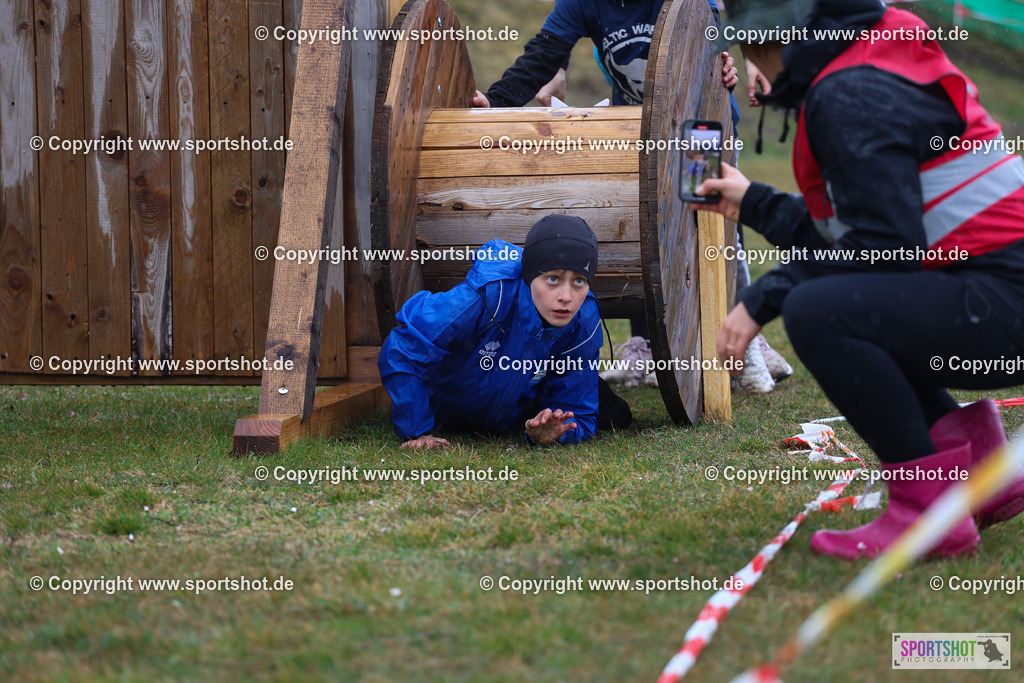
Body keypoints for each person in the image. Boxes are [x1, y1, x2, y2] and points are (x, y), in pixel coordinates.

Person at [703, 0, 1024, 560]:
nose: (751, 60)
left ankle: (927, 515)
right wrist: (753, 202)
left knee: (816, 311)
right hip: (998, 292)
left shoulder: (847, 93)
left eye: (753, 42)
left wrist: (762, 298)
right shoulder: (871, 55)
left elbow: (884, 247)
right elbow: (862, 229)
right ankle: (976, 460)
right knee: (846, 303)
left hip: (1004, 304)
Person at [473, 0, 790, 392]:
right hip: (638, 130)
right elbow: (543, 54)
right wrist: (495, 103)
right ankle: (646, 344)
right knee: (646, 226)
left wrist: (753, 59)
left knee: (716, 227)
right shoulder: (582, 3)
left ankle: (745, 335)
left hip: (700, 131)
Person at [378, 215, 632, 450]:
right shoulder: (487, 294)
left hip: (517, 410)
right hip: (446, 408)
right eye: (553, 279)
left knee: (617, 416)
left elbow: (578, 411)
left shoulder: (583, 319)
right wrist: (416, 432)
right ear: (530, 275)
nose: (566, 297)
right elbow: (404, 346)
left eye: (579, 281)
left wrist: (553, 431)